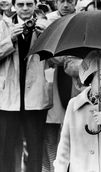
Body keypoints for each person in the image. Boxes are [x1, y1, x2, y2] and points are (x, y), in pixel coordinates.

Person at [0, 0, 50, 171]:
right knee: (6, 150)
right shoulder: (2, 26)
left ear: (36, 4)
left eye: (29, 3)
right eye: (20, 4)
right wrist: (10, 40)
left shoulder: (46, 26)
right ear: (14, 6)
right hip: (8, 99)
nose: (25, 8)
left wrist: (46, 38)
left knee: (35, 149)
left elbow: (58, 60)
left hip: (36, 98)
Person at [42, 0, 81, 171]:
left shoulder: (82, 22)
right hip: (52, 83)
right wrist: (69, 58)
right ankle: (51, 167)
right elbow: (47, 54)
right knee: (51, 133)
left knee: (72, 133)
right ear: (56, 2)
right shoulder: (47, 22)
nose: (65, 5)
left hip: (75, 85)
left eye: (70, 1)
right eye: (62, 1)